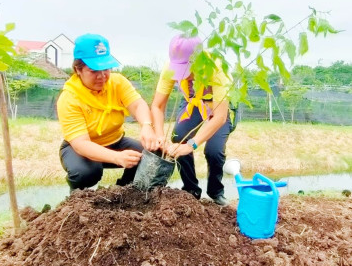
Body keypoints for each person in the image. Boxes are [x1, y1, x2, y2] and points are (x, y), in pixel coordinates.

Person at [57, 33, 158, 191]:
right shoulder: (69, 98)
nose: (102, 76)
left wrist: (146, 125)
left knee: (151, 154)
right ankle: (77, 201)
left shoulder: (117, 82)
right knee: (86, 172)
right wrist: (117, 157)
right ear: (78, 69)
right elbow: (81, 144)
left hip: (115, 141)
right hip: (81, 149)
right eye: (94, 71)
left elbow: (138, 105)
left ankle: (125, 191)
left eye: (106, 69)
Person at [151, 34, 234, 206]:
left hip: (217, 106)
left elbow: (219, 116)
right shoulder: (170, 68)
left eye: (187, 69)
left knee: (214, 151)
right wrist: (159, 135)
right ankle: (191, 189)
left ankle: (215, 191)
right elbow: (157, 106)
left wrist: (191, 145)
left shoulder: (217, 69)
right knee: (178, 137)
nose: (183, 76)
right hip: (192, 104)